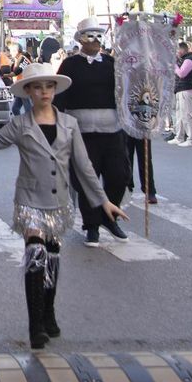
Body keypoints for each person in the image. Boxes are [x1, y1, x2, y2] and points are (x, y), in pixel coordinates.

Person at [0, 64, 128, 349]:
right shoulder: (20, 125)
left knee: (53, 259)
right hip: (30, 201)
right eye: (38, 87)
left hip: (59, 204)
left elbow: (84, 167)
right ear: (29, 92)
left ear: (55, 91)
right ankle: (36, 325)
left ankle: (49, 311)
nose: (44, 92)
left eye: (49, 87)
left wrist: (103, 200)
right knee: (35, 254)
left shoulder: (70, 125)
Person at [56, 19, 129, 244]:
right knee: (86, 180)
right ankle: (92, 225)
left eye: (99, 35)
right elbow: (60, 95)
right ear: (79, 39)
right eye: (90, 35)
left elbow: (125, 92)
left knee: (120, 175)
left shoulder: (111, 63)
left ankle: (110, 217)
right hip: (82, 133)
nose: (96, 41)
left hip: (112, 130)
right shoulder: (70, 65)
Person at [172, 41, 192, 146]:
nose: (176, 53)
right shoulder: (184, 59)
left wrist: (174, 66)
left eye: (177, 50)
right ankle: (179, 136)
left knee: (186, 114)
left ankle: (191, 138)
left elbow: (182, 74)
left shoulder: (189, 60)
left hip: (186, 89)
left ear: (182, 50)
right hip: (180, 89)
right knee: (179, 114)